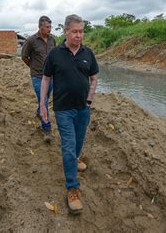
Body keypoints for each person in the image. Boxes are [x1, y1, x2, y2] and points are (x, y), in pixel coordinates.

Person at [40, 14, 99, 214]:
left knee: (78, 144)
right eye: (74, 31)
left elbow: (94, 78)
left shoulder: (88, 53)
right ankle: (72, 188)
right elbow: (46, 79)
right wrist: (42, 105)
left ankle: (75, 159)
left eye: (81, 31)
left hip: (83, 109)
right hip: (63, 109)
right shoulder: (55, 54)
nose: (78, 35)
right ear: (65, 31)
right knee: (68, 146)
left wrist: (89, 99)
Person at [21, 15, 57, 142]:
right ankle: (46, 129)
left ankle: (39, 111)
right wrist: (33, 67)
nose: (49, 29)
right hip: (37, 76)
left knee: (45, 98)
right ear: (40, 27)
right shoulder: (31, 41)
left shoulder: (53, 40)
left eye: (50, 27)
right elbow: (24, 56)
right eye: (47, 27)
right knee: (44, 100)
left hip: (50, 76)